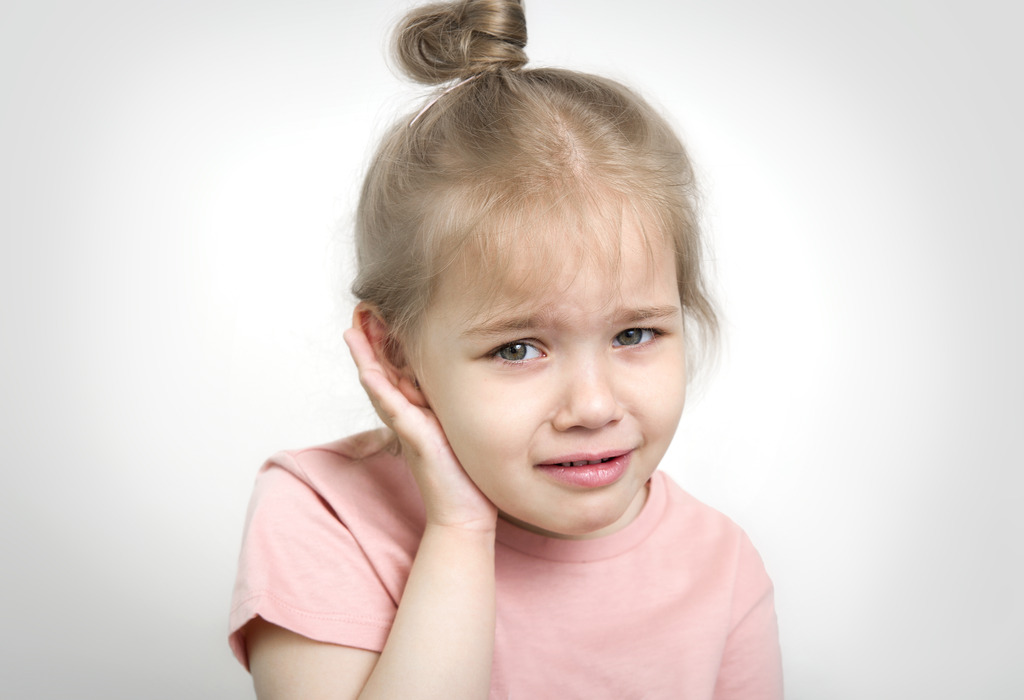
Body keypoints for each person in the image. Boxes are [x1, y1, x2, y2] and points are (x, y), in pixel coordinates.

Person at [228, 1, 783, 697]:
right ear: (396, 357)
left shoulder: (720, 566)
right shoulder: (324, 512)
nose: (593, 405)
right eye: (519, 349)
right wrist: (458, 528)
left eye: (634, 334)